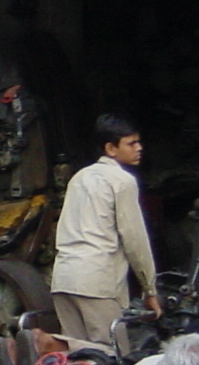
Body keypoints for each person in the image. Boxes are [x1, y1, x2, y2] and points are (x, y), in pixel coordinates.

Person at [49, 114, 162, 350]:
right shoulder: (122, 181)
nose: (139, 148)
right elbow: (135, 241)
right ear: (111, 148)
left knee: (77, 360)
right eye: (131, 144)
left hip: (64, 278)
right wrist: (150, 288)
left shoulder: (79, 178)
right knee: (111, 357)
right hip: (96, 282)